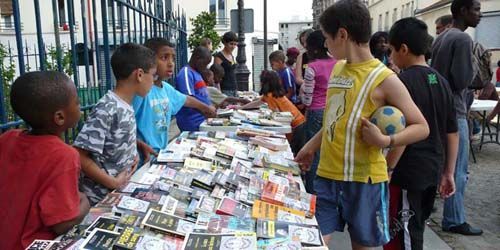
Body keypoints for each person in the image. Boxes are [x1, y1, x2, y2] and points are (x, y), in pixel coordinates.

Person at [294, 1, 429, 249]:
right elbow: (335, 121)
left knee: (362, 245)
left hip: (364, 181)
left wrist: (386, 141)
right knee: (312, 241)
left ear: (342, 34)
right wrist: (311, 147)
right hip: (327, 176)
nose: (325, 44)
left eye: (327, 37)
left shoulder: (385, 78)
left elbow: (421, 126)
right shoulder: (338, 70)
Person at [383, 17, 458, 250]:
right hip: (432, 168)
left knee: (404, 233)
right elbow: (452, 132)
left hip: (408, 171)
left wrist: (388, 168)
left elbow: (403, 132)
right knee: (416, 227)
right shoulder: (441, 81)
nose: (390, 56)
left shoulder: (401, 82)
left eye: (391, 50)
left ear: (403, 49)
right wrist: (449, 172)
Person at [0, 71, 90, 249]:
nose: (80, 106)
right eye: (77, 102)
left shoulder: (7, 138)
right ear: (60, 117)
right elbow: (62, 224)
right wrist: (86, 202)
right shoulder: (64, 156)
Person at [74, 43, 156, 205]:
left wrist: (136, 144)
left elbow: (112, 137)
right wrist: (113, 183)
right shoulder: (108, 108)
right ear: (139, 74)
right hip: (101, 198)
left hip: (118, 192)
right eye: (153, 76)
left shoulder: (124, 104)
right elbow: (79, 155)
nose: (154, 81)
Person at [431, 0, 483, 236]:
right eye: (476, 10)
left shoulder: (442, 37)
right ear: (463, 11)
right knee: (458, 170)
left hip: (440, 109)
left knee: (444, 165)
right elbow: (462, 80)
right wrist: (475, 71)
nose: (479, 15)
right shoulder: (463, 39)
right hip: (456, 111)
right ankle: (453, 219)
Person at [133, 38, 216, 154]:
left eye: (173, 58)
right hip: (142, 159)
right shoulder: (140, 91)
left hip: (160, 154)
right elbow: (123, 127)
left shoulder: (166, 88)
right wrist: (138, 143)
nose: (171, 63)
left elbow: (186, 99)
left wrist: (205, 108)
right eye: (164, 57)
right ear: (148, 61)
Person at [300, 30, 336, 194]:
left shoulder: (312, 68)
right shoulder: (338, 64)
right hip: (334, 111)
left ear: (313, 49)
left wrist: (305, 103)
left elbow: (308, 97)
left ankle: (312, 191)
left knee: (312, 153)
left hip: (315, 111)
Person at [239, 70, 305, 155]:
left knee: (292, 150)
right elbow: (257, 102)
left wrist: (240, 108)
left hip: (295, 124)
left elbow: (276, 113)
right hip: (299, 121)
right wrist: (241, 108)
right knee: (295, 149)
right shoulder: (273, 94)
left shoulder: (270, 96)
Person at [176, 46, 215, 131]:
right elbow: (188, 99)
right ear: (197, 59)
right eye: (205, 63)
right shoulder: (186, 72)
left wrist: (210, 106)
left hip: (202, 119)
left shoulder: (197, 73)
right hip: (192, 121)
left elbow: (202, 95)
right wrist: (207, 109)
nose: (205, 67)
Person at [214, 31, 238, 96]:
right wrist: (219, 92)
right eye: (231, 44)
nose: (233, 46)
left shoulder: (231, 55)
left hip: (234, 88)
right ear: (225, 43)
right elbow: (216, 75)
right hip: (224, 89)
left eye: (235, 44)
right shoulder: (219, 57)